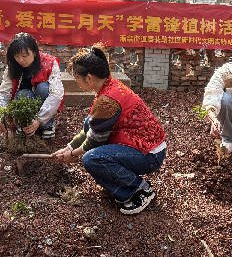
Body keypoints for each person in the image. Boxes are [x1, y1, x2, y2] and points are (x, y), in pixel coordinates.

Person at [51, 45, 166, 216]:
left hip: (149, 155)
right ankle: (123, 183)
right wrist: (69, 146)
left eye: (77, 78)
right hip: (146, 144)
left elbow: (93, 142)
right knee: (88, 123)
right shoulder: (110, 85)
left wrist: (73, 155)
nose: (77, 81)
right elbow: (91, 130)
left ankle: (140, 190)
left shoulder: (106, 102)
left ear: (89, 78)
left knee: (92, 159)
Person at [0, 33, 64, 138]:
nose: (20, 60)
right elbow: (4, 93)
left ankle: (47, 126)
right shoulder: (12, 66)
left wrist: (39, 119)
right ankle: (24, 124)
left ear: (35, 52)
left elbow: (56, 94)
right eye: (16, 56)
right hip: (24, 100)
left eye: (24, 56)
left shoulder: (50, 63)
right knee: (24, 94)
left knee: (44, 88)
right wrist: (1, 114)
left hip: (42, 103)